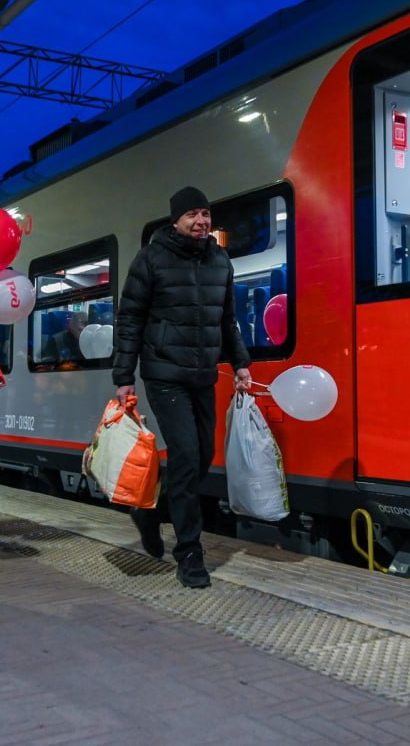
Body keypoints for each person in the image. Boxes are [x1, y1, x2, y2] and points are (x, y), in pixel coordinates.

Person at [112, 186, 253, 589]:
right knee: (187, 455)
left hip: (202, 374)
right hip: (164, 373)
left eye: (205, 214)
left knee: (202, 456)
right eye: (192, 214)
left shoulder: (219, 260)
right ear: (176, 220)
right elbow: (130, 320)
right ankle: (189, 554)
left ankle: (150, 512)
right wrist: (124, 376)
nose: (201, 221)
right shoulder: (152, 258)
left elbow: (227, 319)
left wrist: (241, 363)